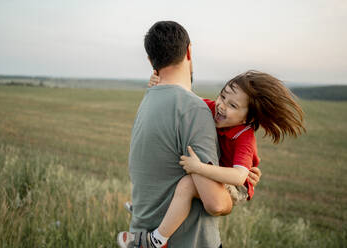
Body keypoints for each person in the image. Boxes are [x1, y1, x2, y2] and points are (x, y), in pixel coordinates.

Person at [117, 21, 261, 248]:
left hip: (140, 233)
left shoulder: (148, 100)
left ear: (151, 61)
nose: (222, 107)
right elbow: (215, 204)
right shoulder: (194, 110)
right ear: (189, 51)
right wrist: (227, 197)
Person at [125, 70, 305, 248]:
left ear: (248, 118)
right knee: (176, 171)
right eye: (222, 96)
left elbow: (239, 177)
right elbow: (183, 101)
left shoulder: (245, 137)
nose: (222, 105)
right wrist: (159, 86)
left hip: (235, 185)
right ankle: (147, 209)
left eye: (233, 106)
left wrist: (199, 168)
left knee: (187, 184)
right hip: (217, 170)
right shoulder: (211, 108)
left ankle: (158, 239)